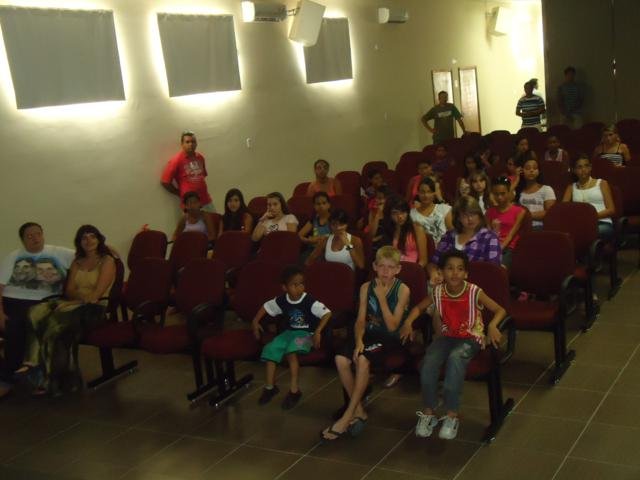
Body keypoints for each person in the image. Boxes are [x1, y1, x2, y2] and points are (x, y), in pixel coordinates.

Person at [405, 250, 506, 440]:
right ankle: (429, 412)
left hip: (470, 338)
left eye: (460, 269)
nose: (455, 273)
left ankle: (452, 414)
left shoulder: (474, 291)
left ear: (466, 273)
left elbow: (499, 309)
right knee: (428, 363)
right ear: (441, 272)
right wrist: (408, 322)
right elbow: (419, 307)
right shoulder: (437, 291)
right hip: (446, 337)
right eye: (450, 268)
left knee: (455, 359)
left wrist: (492, 325)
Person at [321, 246, 410, 441]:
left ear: (398, 269)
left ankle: (347, 416)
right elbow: (360, 320)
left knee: (362, 360)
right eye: (381, 266)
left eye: (390, 267)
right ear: (374, 266)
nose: (385, 271)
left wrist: (381, 298)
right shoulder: (365, 287)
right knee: (340, 359)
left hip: (389, 338)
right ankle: (359, 410)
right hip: (368, 334)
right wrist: (359, 340)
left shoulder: (402, 290)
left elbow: (392, 326)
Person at [23, 225, 116, 396]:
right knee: (35, 312)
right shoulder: (77, 262)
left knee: (54, 326)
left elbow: (96, 295)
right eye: (84, 238)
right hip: (73, 305)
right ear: (79, 242)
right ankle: (33, 362)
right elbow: (69, 290)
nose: (88, 241)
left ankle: (49, 378)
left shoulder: (107, 261)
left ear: (99, 239)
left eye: (92, 236)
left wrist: (72, 302)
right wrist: (72, 301)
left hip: (95, 310)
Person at [0, 223, 75, 397]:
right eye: (29, 236)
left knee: (18, 327)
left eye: (38, 234)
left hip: (43, 303)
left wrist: (109, 249)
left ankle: (16, 377)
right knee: (13, 325)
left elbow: (89, 254)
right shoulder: (14, 256)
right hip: (11, 301)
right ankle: (10, 374)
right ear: (22, 239)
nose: (35, 238)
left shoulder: (59, 253)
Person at [252, 265, 331, 409]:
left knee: (291, 350)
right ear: (284, 287)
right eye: (295, 285)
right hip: (289, 333)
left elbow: (327, 313)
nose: (299, 288)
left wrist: (318, 331)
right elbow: (266, 306)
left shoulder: (309, 301)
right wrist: (255, 321)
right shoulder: (282, 300)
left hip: (306, 334)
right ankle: (270, 387)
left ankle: (294, 390)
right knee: (270, 349)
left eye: (301, 284)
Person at [430, 197, 501, 283]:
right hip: (447, 284)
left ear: (479, 215)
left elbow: (493, 270)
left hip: (476, 285)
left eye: (473, 214)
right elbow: (434, 262)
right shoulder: (448, 236)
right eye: (465, 215)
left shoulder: (490, 238)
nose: (470, 219)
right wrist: (433, 272)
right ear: (458, 218)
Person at [562, 154, 615, 240]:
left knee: (587, 233)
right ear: (574, 170)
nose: (583, 169)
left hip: (602, 222)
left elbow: (611, 210)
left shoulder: (601, 183)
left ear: (590, 167)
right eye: (579, 167)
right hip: (580, 224)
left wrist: (590, 217)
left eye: (586, 166)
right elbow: (563, 210)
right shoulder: (571, 187)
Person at [161, 130, 214, 211]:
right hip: (190, 204)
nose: (191, 144)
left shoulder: (200, 157)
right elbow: (165, 181)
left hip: (205, 200)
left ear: (196, 143)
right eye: (187, 142)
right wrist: (179, 193)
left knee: (214, 218)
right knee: (193, 220)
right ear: (182, 144)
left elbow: (202, 176)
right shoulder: (176, 160)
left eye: (193, 141)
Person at [486, 177, 527, 269]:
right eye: (496, 194)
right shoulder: (489, 212)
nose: (499, 197)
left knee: (498, 268)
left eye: (503, 193)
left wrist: (499, 249)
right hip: (493, 245)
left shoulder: (519, 211)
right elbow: (489, 233)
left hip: (509, 247)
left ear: (509, 192)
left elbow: (511, 235)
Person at [379, 199, 428, 267]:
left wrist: (414, 271)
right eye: (395, 213)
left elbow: (423, 261)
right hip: (393, 268)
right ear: (389, 215)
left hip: (412, 268)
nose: (400, 216)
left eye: (403, 212)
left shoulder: (417, 228)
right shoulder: (388, 230)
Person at [410, 178, 453, 245]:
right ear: (418, 193)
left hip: (445, 248)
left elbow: (452, 234)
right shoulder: (412, 214)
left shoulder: (445, 209)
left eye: (429, 192)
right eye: (422, 192)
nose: (426, 195)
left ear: (434, 193)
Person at [518, 158, 556, 229]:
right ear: (522, 171)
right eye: (528, 168)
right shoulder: (518, 191)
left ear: (538, 171)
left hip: (540, 227)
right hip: (520, 227)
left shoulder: (547, 189)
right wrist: (517, 178)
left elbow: (550, 213)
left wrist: (525, 216)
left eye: (535, 168)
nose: (531, 170)